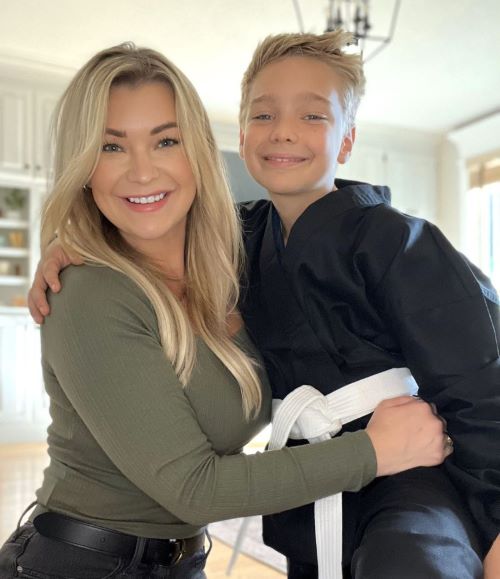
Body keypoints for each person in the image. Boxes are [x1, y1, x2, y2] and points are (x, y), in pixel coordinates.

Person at [29, 31, 500, 578]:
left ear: (347, 140)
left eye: (313, 116)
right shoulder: (196, 257)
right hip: (107, 555)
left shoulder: (375, 243)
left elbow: (480, 375)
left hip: (400, 483)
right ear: (243, 134)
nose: (284, 132)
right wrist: (73, 243)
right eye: (264, 115)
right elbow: (196, 486)